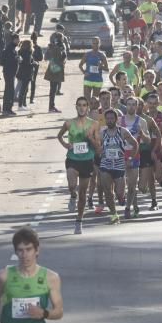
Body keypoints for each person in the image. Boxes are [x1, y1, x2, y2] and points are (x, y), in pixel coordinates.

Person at [57, 97, 96, 234]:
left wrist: (91, 139)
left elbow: (98, 145)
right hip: (73, 159)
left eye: (84, 105)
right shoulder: (68, 123)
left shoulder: (94, 124)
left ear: (87, 107)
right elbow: (60, 135)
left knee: (83, 193)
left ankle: (79, 220)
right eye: (79, 105)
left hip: (87, 160)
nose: (81, 107)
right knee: (72, 185)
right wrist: (66, 145)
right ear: (76, 107)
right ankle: (72, 194)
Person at [98, 108, 139, 223]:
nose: (110, 120)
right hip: (105, 165)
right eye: (108, 119)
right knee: (107, 190)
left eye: (112, 118)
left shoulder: (123, 131)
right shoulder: (102, 133)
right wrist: (99, 150)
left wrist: (130, 158)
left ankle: (122, 197)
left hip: (119, 165)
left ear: (116, 119)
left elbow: (135, 144)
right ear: (105, 120)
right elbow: (97, 149)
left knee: (119, 192)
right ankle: (114, 214)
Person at [44, 32, 67, 113]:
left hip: (52, 68)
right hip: (57, 69)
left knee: (52, 89)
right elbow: (63, 57)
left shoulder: (51, 46)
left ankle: (51, 106)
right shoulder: (60, 46)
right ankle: (51, 107)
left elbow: (46, 57)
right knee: (53, 89)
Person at [79, 37, 108, 103]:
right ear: (91, 44)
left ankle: (93, 113)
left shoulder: (102, 55)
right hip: (88, 79)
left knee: (95, 102)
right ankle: (87, 113)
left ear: (99, 44)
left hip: (97, 80)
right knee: (86, 100)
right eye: (94, 43)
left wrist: (101, 66)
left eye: (97, 43)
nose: (95, 45)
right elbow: (80, 65)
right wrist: (84, 72)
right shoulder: (87, 54)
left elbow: (107, 69)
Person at [0, 33, 20, 116]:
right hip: (9, 72)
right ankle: (7, 109)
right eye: (17, 39)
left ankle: (7, 108)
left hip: (10, 72)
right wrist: (17, 59)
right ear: (13, 40)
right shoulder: (10, 49)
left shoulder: (12, 48)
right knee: (9, 91)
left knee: (9, 90)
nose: (19, 41)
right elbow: (9, 61)